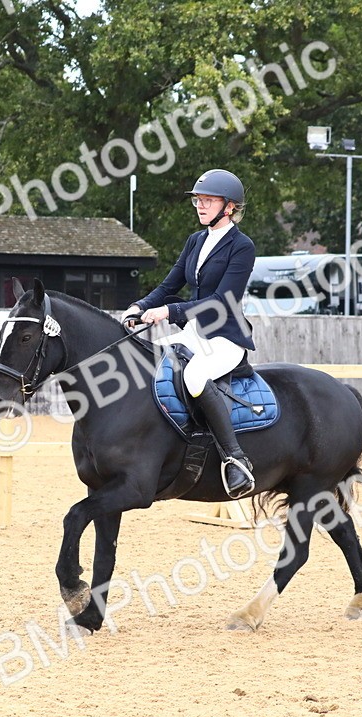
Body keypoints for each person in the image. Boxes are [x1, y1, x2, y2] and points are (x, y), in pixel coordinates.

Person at [122, 168, 257, 499]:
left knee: (195, 376)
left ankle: (235, 460)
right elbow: (170, 284)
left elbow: (223, 301)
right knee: (147, 361)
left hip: (225, 337)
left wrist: (170, 311)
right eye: (198, 200)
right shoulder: (196, 241)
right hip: (194, 333)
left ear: (229, 207)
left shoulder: (242, 246)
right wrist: (139, 306)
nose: (201, 206)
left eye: (208, 200)